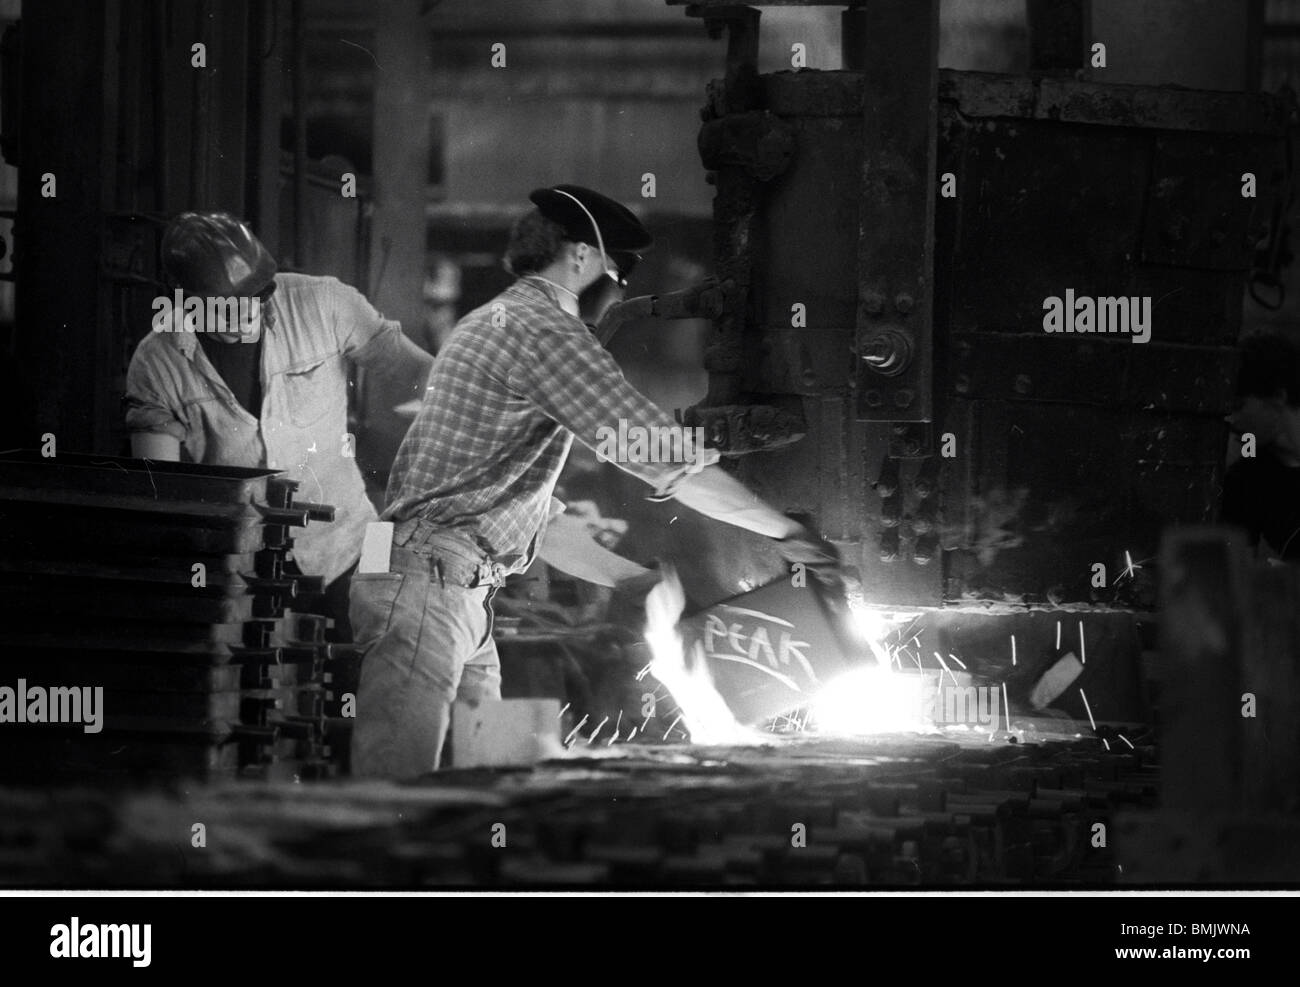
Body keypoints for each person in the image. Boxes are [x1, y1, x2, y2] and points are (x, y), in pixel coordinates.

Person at [350, 184, 842, 778]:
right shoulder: (540, 331)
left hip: (451, 586)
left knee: (484, 787)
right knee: (396, 793)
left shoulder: (490, 324)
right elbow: (660, 456)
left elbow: (533, 522)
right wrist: (784, 531)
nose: (622, 285)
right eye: (620, 266)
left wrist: (633, 580)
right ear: (580, 255)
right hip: (432, 585)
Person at [124, 212, 435, 636]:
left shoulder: (323, 303)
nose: (240, 316)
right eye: (220, 307)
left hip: (356, 543)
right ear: (182, 300)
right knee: (262, 691)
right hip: (244, 572)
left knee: (372, 672)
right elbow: (161, 489)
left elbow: (416, 369)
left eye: (251, 297)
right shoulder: (157, 363)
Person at [1222, 328, 1300, 560]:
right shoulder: (1245, 481)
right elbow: (1240, 579)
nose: (1229, 419)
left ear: (1278, 396)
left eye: (1238, 405)